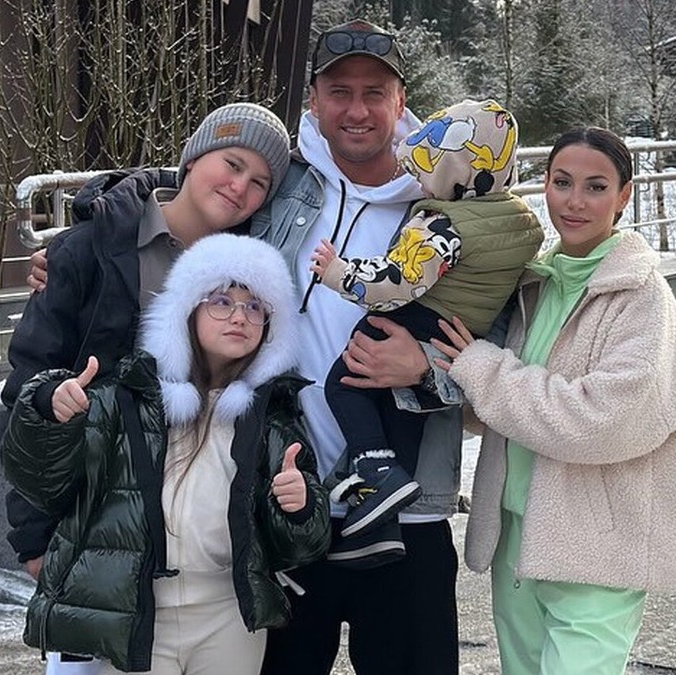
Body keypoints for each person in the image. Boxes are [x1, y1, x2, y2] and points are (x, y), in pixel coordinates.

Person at [26, 20, 469, 675]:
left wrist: (424, 369)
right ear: (313, 100)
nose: (356, 109)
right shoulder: (283, 183)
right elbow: (189, 188)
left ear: (402, 101)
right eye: (339, 91)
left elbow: (494, 354)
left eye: (374, 93)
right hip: (275, 503)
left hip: (404, 514)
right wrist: (84, 243)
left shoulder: (448, 205)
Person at [0, 103, 292, 673]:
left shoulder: (253, 271)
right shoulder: (91, 248)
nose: (240, 187)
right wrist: (33, 536)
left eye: (260, 182)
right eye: (232, 164)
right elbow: (28, 390)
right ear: (192, 160)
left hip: (206, 561)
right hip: (99, 543)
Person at [431, 128, 676, 674]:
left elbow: (598, 421)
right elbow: (498, 407)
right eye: (562, 182)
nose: (575, 201)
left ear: (624, 196)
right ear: (544, 185)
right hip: (519, 533)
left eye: (596, 186)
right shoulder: (534, 284)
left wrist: (480, 368)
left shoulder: (641, 298)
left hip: (598, 544)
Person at [1, 233, 332, 674]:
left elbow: (302, 544)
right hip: (138, 612)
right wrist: (49, 409)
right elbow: (41, 478)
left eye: (256, 307)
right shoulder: (128, 398)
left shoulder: (273, 419)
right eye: (222, 301)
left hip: (228, 617)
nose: (239, 317)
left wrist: (300, 507)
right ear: (187, 310)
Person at [309, 98, 542, 541]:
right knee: (403, 407)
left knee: (345, 383)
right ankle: (386, 505)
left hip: (417, 318)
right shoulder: (521, 221)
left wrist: (339, 273)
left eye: (426, 172)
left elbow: (399, 280)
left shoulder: (443, 225)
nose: (419, 182)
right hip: (459, 331)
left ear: (452, 172)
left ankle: (376, 469)